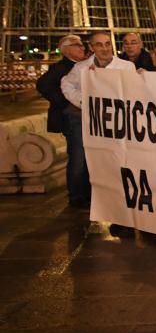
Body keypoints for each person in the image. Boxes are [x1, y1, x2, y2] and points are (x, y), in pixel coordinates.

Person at [59, 31, 137, 207]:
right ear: (92, 47)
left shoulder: (126, 67)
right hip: (83, 119)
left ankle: (113, 197)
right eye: (100, 45)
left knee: (113, 159)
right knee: (79, 158)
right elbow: (66, 84)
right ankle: (78, 198)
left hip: (113, 121)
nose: (105, 48)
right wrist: (82, 100)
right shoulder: (81, 68)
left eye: (108, 44)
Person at [36, 34, 87, 205]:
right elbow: (42, 85)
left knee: (84, 156)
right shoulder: (61, 67)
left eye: (82, 45)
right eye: (77, 45)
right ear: (65, 50)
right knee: (78, 156)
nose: (82, 47)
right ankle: (77, 196)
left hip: (82, 118)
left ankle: (83, 193)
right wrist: (66, 103)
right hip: (72, 119)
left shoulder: (81, 65)